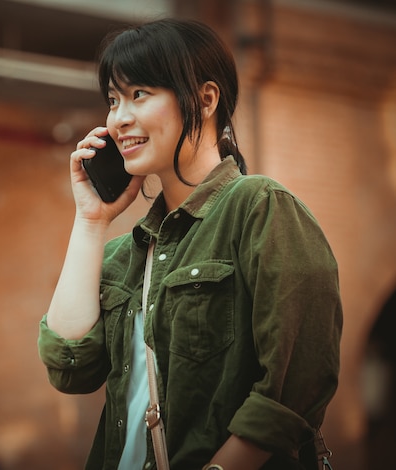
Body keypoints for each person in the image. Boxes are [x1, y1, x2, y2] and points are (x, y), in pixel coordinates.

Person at [38, 18, 342, 470]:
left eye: (139, 94)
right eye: (113, 100)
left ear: (205, 99)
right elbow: (69, 366)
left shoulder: (261, 209)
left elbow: (297, 382)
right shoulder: (128, 253)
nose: (120, 118)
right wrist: (90, 221)